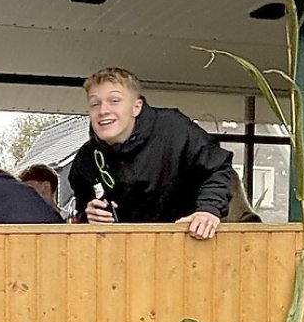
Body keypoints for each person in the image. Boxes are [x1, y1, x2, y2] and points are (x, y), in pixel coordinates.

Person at [68, 67, 236, 240]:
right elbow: (82, 210)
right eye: (95, 103)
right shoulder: (86, 158)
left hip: (189, 246)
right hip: (120, 255)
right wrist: (89, 216)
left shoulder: (174, 130)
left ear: (136, 107)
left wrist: (208, 211)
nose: (103, 111)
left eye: (114, 100)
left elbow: (218, 167)